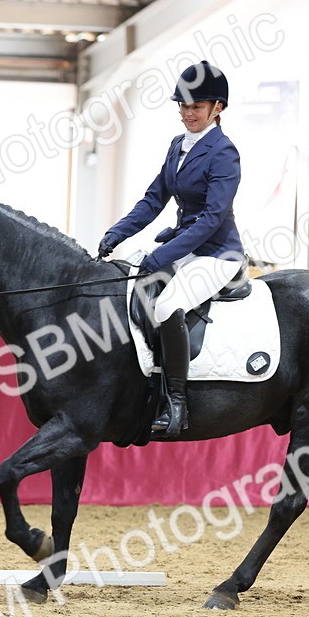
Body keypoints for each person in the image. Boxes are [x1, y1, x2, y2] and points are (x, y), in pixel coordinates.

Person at [97, 60, 244, 438]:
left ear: (217, 108)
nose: (186, 113)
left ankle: (176, 404)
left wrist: (161, 257)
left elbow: (212, 218)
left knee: (166, 306)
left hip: (216, 255)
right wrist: (117, 234)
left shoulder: (224, 153)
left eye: (195, 107)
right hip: (183, 248)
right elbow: (153, 200)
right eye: (182, 106)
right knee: (127, 286)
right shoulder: (178, 145)